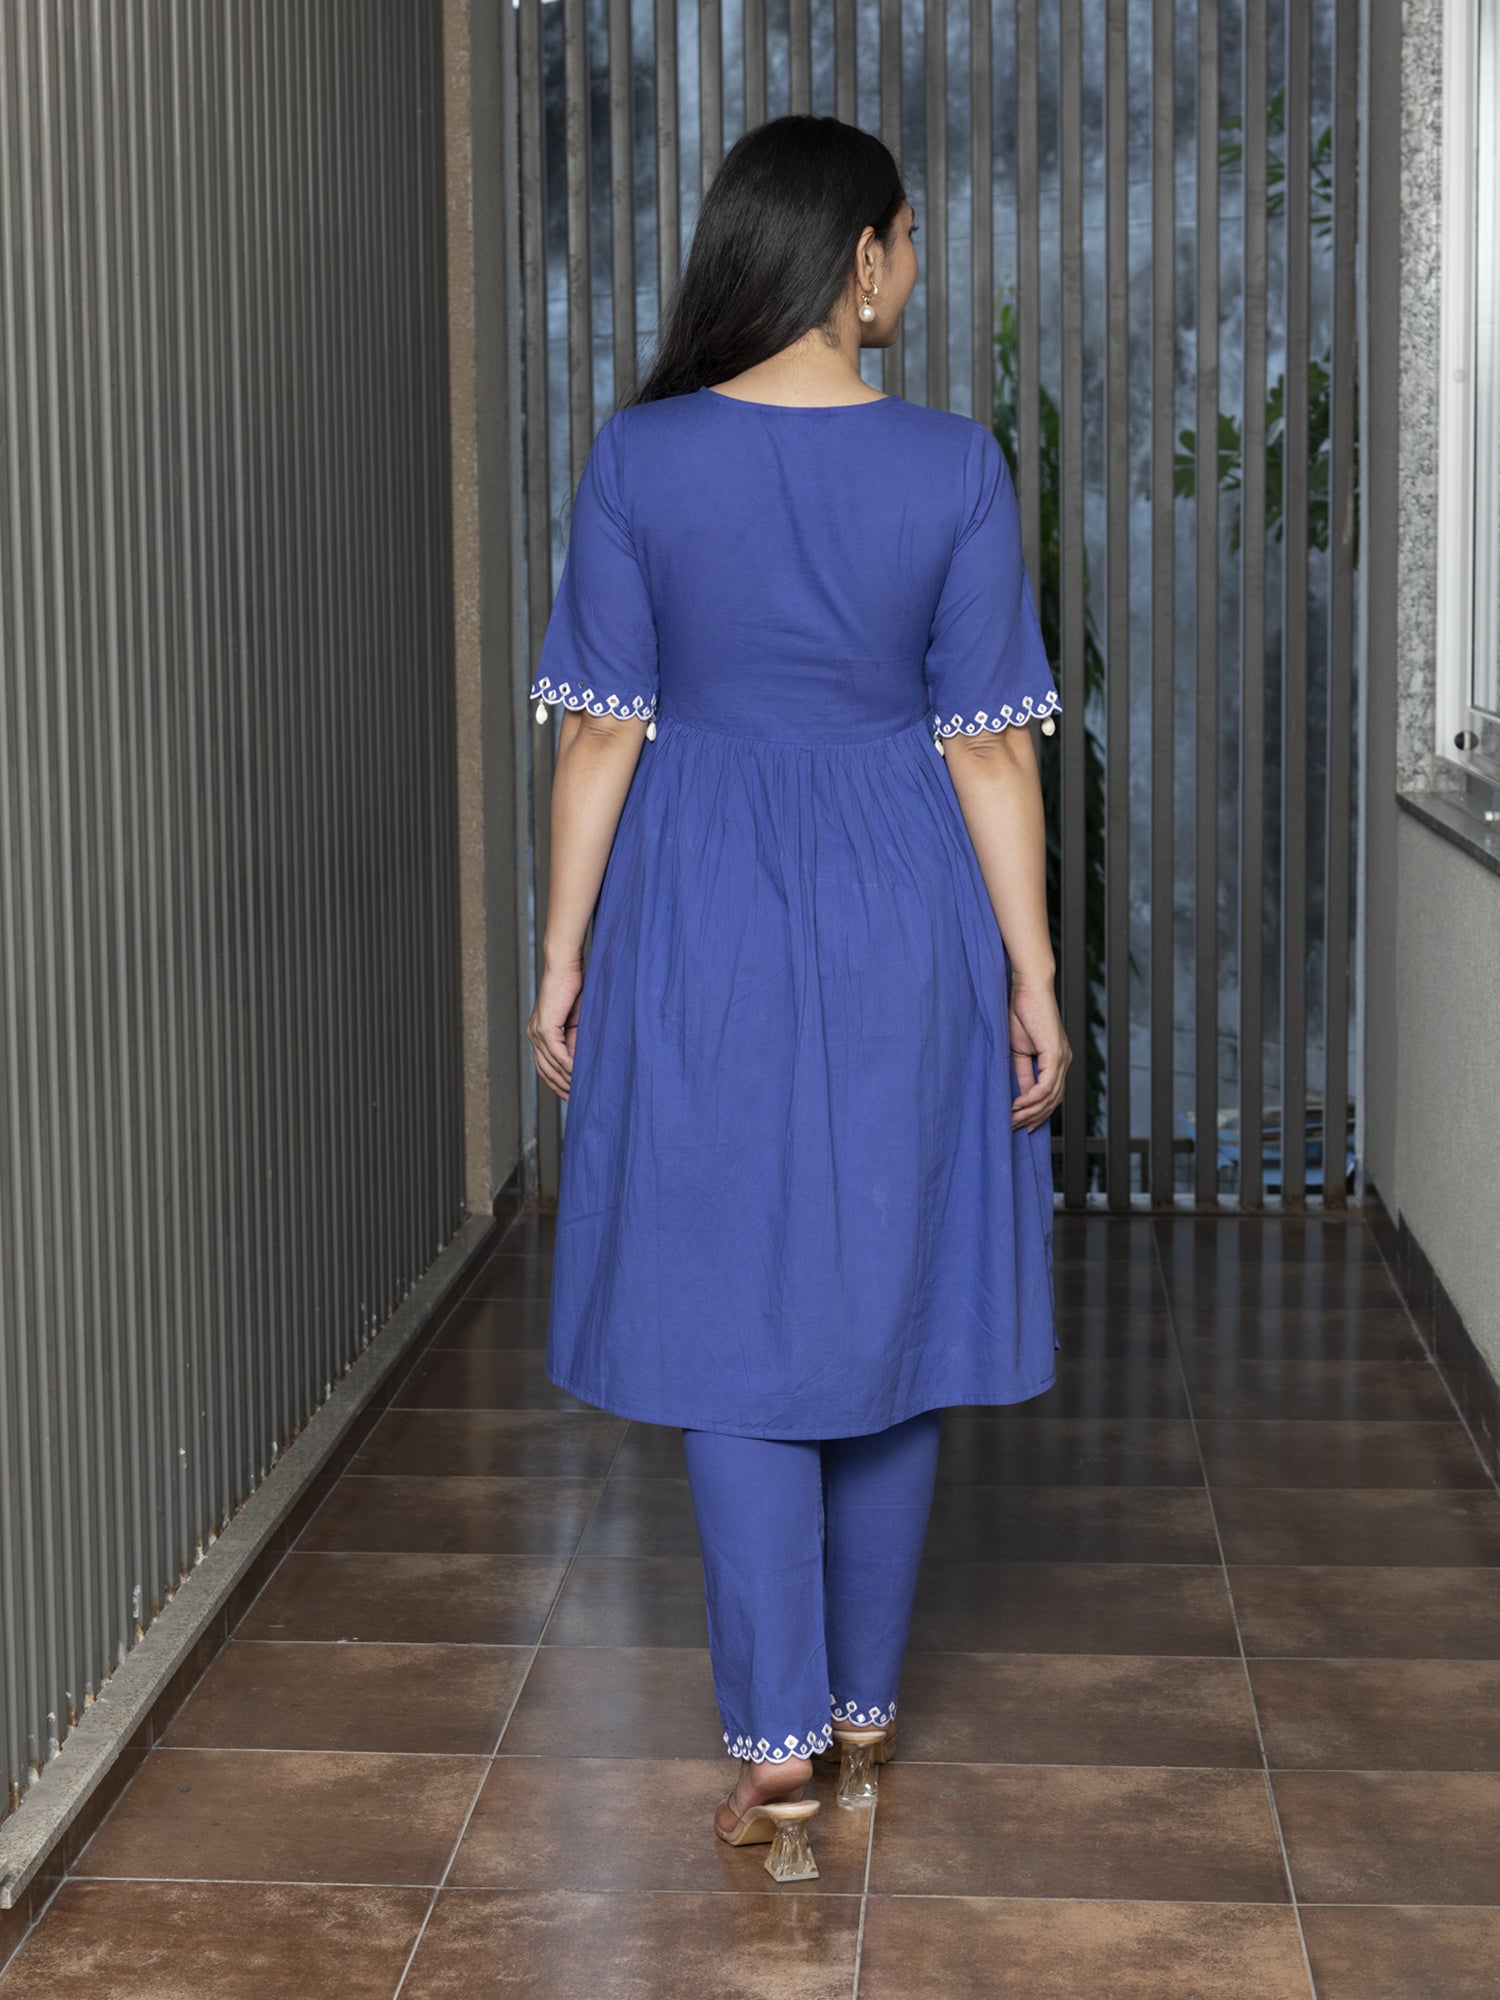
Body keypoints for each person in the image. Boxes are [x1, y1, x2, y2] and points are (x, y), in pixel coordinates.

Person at [525, 113, 1069, 1881]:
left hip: (695, 908)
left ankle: (772, 1740)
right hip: (905, 906)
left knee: (723, 1306)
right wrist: (1033, 973)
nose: (915, 267)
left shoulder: (640, 454)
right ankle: (860, 1712)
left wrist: (563, 952)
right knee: (891, 1286)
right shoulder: (955, 466)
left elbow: (602, 735)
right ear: (863, 258)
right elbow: (989, 754)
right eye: (909, 239)